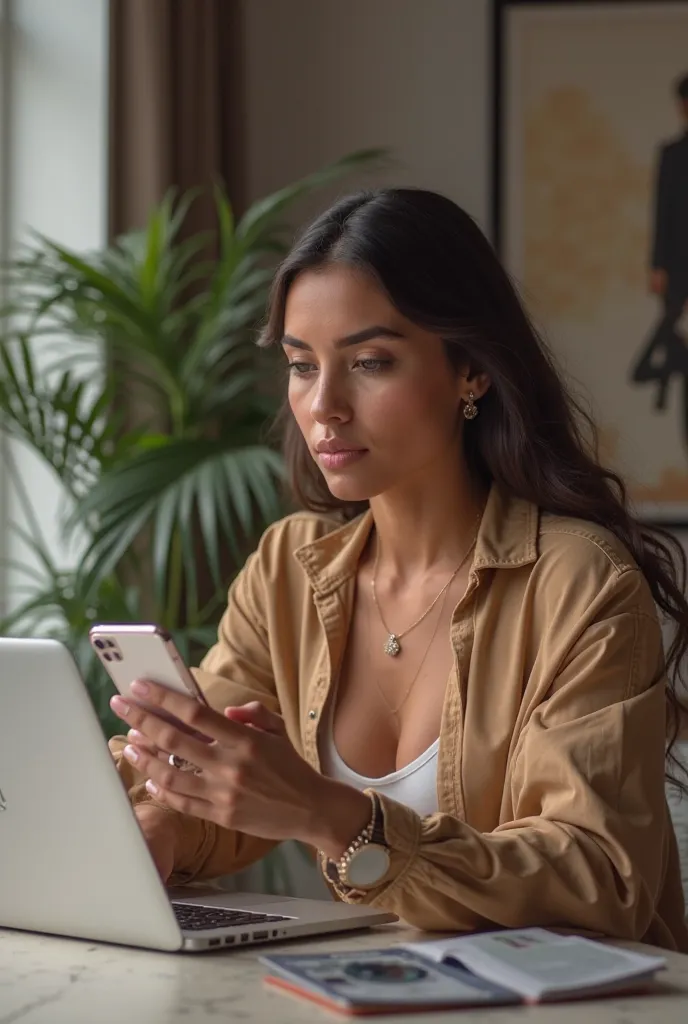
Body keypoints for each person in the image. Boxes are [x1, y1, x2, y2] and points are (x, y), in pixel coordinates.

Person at [110, 188, 688, 951]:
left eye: (370, 362)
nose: (324, 407)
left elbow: (598, 880)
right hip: (387, 989)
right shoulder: (290, 569)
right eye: (300, 365)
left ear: (470, 372)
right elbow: (212, 779)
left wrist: (328, 814)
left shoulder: (579, 582)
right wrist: (163, 822)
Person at [631, 73, 688, 418]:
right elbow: (662, 211)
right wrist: (657, 266)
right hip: (678, 264)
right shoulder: (672, 154)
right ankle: (669, 378)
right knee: (669, 336)